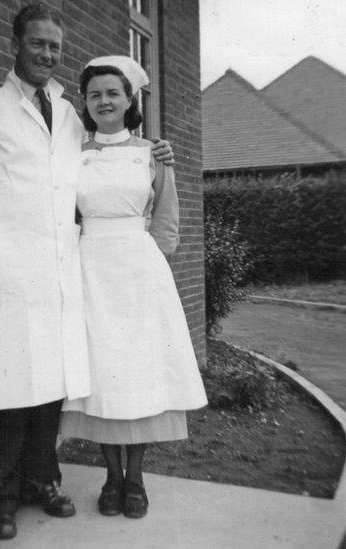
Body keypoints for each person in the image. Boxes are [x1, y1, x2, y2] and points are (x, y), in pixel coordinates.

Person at [0, 4, 174, 541]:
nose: (47, 53)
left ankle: (40, 481)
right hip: (5, 270)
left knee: (51, 386)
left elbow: (108, 157)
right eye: (37, 43)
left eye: (55, 46)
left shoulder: (71, 115)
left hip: (62, 272)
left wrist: (155, 151)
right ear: (16, 44)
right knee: (3, 388)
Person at [60, 56, 208, 519]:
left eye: (113, 93)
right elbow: (64, 214)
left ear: (129, 101)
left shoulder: (152, 154)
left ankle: (137, 479)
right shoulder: (71, 154)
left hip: (139, 273)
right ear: (85, 103)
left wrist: (151, 269)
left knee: (140, 370)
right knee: (103, 370)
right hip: (90, 268)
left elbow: (166, 222)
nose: (104, 101)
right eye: (95, 94)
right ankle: (110, 477)